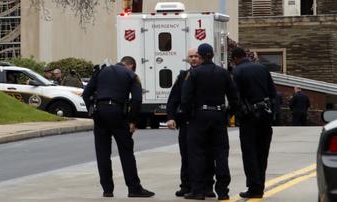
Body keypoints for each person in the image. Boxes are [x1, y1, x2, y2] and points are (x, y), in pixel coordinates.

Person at [83, 58, 154, 198]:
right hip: (117, 113)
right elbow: (137, 99)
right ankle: (134, 188)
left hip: (100, 112)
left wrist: (92, 111)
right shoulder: (131, 75)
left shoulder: (101, 71)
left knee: (102, 152)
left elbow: (86, 93)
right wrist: (133, 121)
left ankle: (107, 189)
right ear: (131, 66)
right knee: (126, 151)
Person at [181, 43, 239, 200]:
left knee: (197, 154)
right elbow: (234, 98)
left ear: (199, 56)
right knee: (220, 153)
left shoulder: (194, 74)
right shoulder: (223, 73)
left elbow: (185, 98)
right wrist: (228, 114)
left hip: (199, 117)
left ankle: (198, 190)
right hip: (218, 116)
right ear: (212, 55)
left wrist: (186, 116)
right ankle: (223, 191)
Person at [166, 48, 216, 198]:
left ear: (202, 58)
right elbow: (174, 98)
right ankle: (186, 185)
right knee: (186, 154)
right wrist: (171, 117)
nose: (194, 59)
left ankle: (207, 185)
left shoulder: (210, 73)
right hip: (187, 121)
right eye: (191, 56)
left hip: (205, 120)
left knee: (208, 154)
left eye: (196, 56)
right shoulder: (183, 76)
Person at [231, 47, 277, 199]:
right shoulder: (263, 68)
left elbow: (235, 98)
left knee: (249, 153)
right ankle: (260, 186)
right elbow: (273, 93)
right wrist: (273, 114)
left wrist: (235, 115)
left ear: (235, 59)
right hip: (265, 115)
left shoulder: (237, 72)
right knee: (262, 152)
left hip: (249, 117)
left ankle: (253, 187)